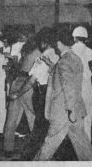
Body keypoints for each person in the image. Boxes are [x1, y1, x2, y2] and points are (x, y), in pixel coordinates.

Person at [34, 28, 92, 161]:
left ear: (60, 43)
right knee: (83, 147)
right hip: (76, 109)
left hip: (64, 111)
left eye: (56, 43)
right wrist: (52, 66)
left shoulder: (63, 61)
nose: (55, 46)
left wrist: (70, 110)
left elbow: (69, 87)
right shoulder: (75, 58)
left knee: (48, 145)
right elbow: (69, 80)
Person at [6, 30, 55, 159]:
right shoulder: (40, 53)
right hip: (27, 83)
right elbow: (33, 78)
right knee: (34, 118)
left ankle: (7, 148)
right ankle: (37, 149)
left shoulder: (26, 51)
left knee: (12, 118)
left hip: (17, 80)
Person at [71, 26, 92, 141]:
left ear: (74, 38)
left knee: (73, 117)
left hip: (72, 86)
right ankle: (87, 149)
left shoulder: (70, 50)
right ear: (86, 39)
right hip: (86, 86)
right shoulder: (91, 52)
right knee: (87, 117)